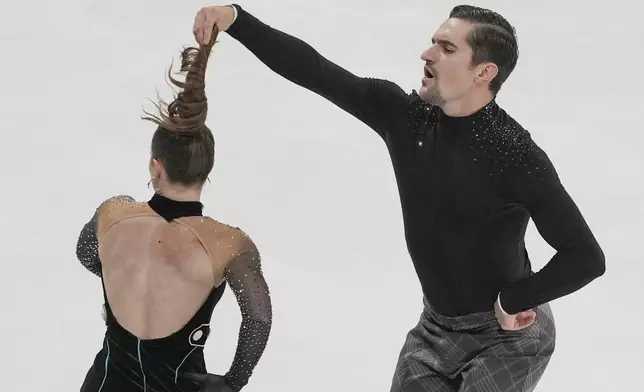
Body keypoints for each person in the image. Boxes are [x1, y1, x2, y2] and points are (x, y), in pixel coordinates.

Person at [191, 4, 606, 392]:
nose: (427, 54)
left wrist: (513, 299)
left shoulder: (513, 154)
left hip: (508, 336)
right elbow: (315, 70)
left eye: (445, 48)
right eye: (433, 41)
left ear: (484, 72)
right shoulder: (403, 118)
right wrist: (236, 18)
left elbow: (585, 255)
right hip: (435, 329)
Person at [75, 26, 272, 392]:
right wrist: (233, 382)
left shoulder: (113, 213)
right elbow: (258, 318)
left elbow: (86, 254)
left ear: (155, 166)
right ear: (207, 171)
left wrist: (126, 276)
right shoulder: (229, 244)